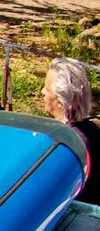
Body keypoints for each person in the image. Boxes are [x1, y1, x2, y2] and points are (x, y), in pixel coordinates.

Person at [42, 57, 100, 204]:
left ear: (62, 100)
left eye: (47, 89)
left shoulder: (68, 142)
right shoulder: (92, 129)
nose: (42, 92)